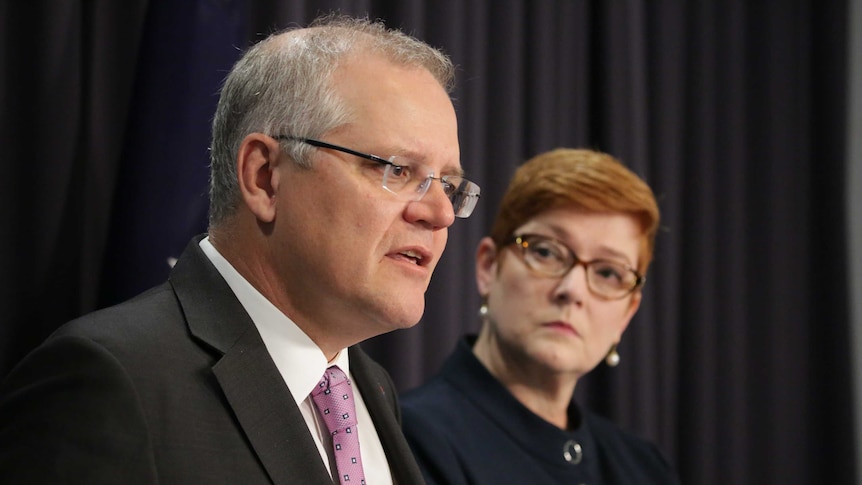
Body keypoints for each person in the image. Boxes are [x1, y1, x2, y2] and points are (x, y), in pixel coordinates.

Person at [0, 14, 481, 484]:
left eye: (450, 186)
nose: (439, 214)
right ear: (265, 177)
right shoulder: (109, 383)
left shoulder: (371, 389)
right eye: (397, 170)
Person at [400, 148, 678, 484]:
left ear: (627, 314)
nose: (573, 290)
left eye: (608, 273)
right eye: (546, 252)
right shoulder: (406, 438)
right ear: (489, 266)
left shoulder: (645, 468)